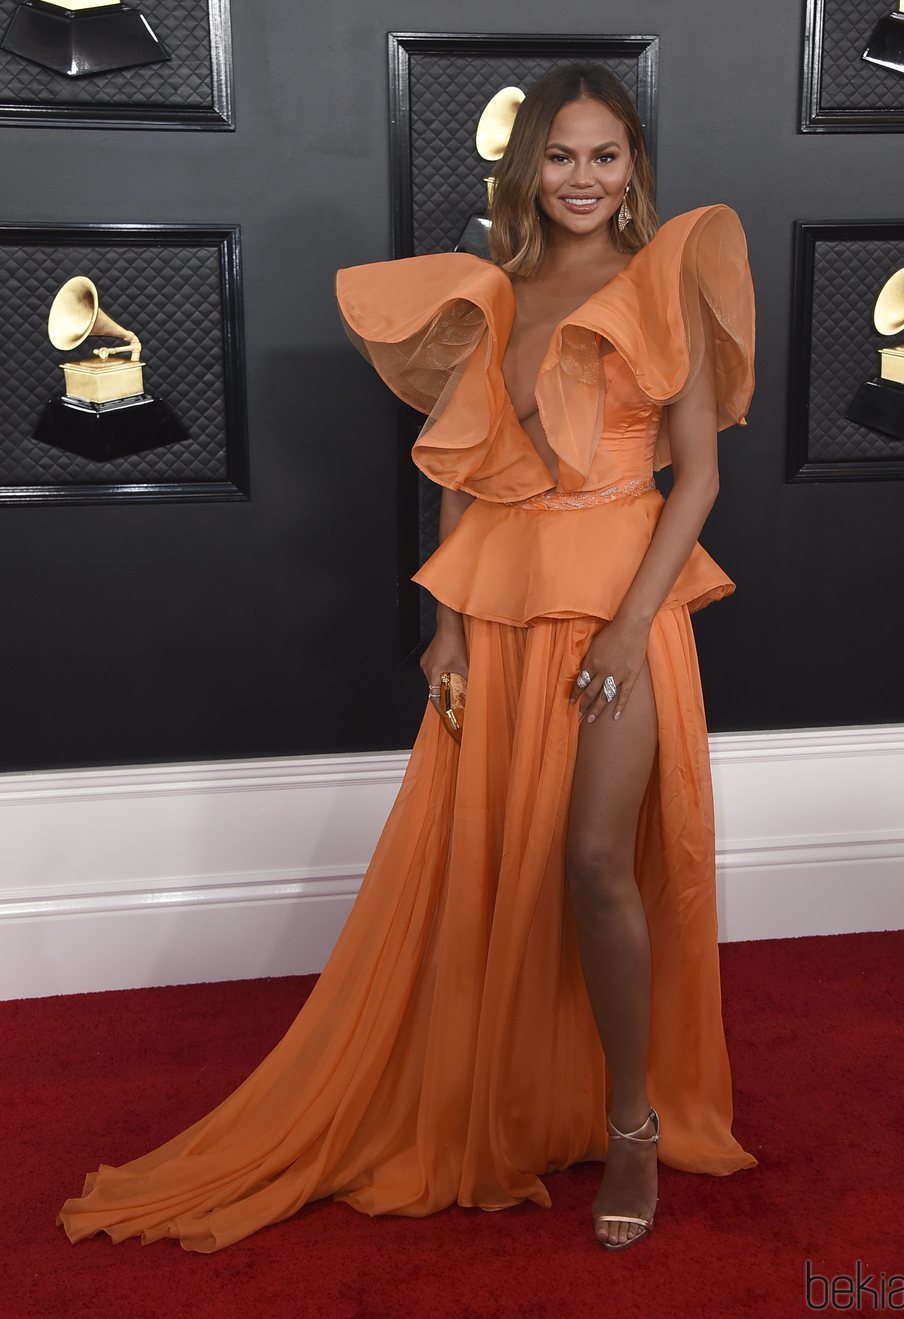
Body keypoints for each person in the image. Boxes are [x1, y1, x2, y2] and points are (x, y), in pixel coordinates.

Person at [56, 62, 757, 1256]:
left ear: (632, 165)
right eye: (559, 154)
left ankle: (631, 1118)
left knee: (596, 861)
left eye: (603, 154)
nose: (581, 177)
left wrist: (636, 622)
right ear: (524, 166)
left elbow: (697, 473)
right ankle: (508, 1089)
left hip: (624, 601)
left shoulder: (665, 281)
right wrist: (442, 621)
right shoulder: (494, 289)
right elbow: (468, 467)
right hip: (497, 603)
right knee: (492, 857)